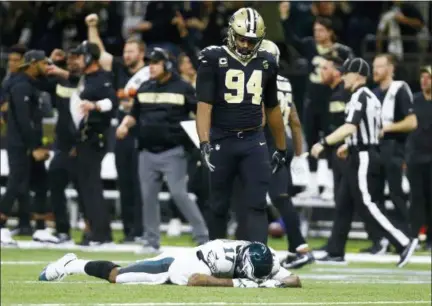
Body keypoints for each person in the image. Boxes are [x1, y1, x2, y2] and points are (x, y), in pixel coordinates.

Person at [310, 57, 418, 268]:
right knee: (343, 204)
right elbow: (367, 130)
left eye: (347, 73)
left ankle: (404, 241)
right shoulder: (369, 96)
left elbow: (351, 127)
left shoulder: (360, 95)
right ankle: (335, 251)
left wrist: (324, 142)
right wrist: (348, 146)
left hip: (364, 156)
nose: (343, 77)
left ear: (358, 75)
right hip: (359, 152)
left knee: (367, 204)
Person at [196, 7, 287, 244]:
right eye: (241, 38)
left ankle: (259, 259)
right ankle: (214, 258)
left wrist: (281, 146)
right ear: (231, 33)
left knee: (257, 203)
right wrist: (204, 141)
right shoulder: (212, 58)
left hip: (253, 141)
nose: (246, 45)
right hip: (221, 139)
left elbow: (273, 108)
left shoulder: (267, 62)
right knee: (218, 205)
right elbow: (204, 106)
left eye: (251, 41)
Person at [116, 47, 209, 253]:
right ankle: (151, 240)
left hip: (173, 150)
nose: (151, 66)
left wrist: (204, 136)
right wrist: (124, 125)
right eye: (150, 63)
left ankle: (203, 237)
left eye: (155, 63)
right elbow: (134, 113)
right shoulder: (145, 87)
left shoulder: (182, 87)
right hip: (146, 151)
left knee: (179, 194)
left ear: (166, 64)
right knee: (148, 197)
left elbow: (200, 112)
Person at [279, 2, 354, 198]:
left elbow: (351, 75)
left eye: (321, 30)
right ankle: (312, 185)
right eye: (315, 30)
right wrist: (285, 18)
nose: (317, 33)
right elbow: (291, 40)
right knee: (311, 140)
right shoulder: (309, 46)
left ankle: (328, 184)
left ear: (330, 32)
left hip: (332, 102)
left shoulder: (343, 52)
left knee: (329, 141)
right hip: (311, 101)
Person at [86, 13, 146, 242]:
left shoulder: (149, 73)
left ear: (141, 54)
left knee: (139, 183)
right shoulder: (120, 68)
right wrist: (92, 27)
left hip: (141, 132)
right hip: (121, 133)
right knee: (125, 183)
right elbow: (99, 53)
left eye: (131, 51)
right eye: (125, 51)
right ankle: (130, 231)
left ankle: (141, 230)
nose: (126, 55)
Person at [39, 239, 301, 288]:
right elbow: (196, 280)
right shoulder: (224, 256)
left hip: (193, 266)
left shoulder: (266, 257)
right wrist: (240, 283)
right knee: (117, 276)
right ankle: (70, 264)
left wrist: (275, 285)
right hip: (179, 264)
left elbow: (294, 280)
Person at [258, 39, 313, 269]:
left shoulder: (260, 81)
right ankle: (295, 247)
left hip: (267, 142)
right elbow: (295, 121)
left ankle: (297, 247)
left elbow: (260, 118)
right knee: (273, 196)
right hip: (285, 143)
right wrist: (299, 154)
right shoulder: (285, 82)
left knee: (275, 196)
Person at [362, 53, 416, 254]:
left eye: (379, 66)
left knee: (396, 196)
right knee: (374, 197)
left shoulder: (399, 89)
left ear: (391, 68)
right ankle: (380, 241)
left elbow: (412, 122)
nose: (375, 70)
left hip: (393, 148)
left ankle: (406, 238)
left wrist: (387, 128)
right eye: (374, 66)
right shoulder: (373, 93)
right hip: (375, 149)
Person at [0, 50, 51, 245]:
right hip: (20, 144)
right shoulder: (20, 85)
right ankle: (1, 228)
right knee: (15, 183)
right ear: (33, 63)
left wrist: (39, 144)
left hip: (32, 144)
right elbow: (23, 120)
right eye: (44, 63)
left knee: (40, 183)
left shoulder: (32, 84)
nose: (46, 67)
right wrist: (34, 147)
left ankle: (40, 229)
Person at [70, 41, 117, 245]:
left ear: (89, 57)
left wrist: (94, 105)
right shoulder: (84, 78)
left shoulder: (102, 78)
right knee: (83, 186)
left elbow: (111, 102)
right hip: (82, 139)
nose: (77, 60)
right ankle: (91, 229)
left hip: (94, 138)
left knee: (91, 186)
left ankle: (101, 233)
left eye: (81, 56)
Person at [406, 65, 432, 251]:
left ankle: (430, 238)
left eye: (428, 77)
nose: (424, 80)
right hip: (415, 158)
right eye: (422, 77)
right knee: (416, 199)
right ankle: (414, 236)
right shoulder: (413, 100)